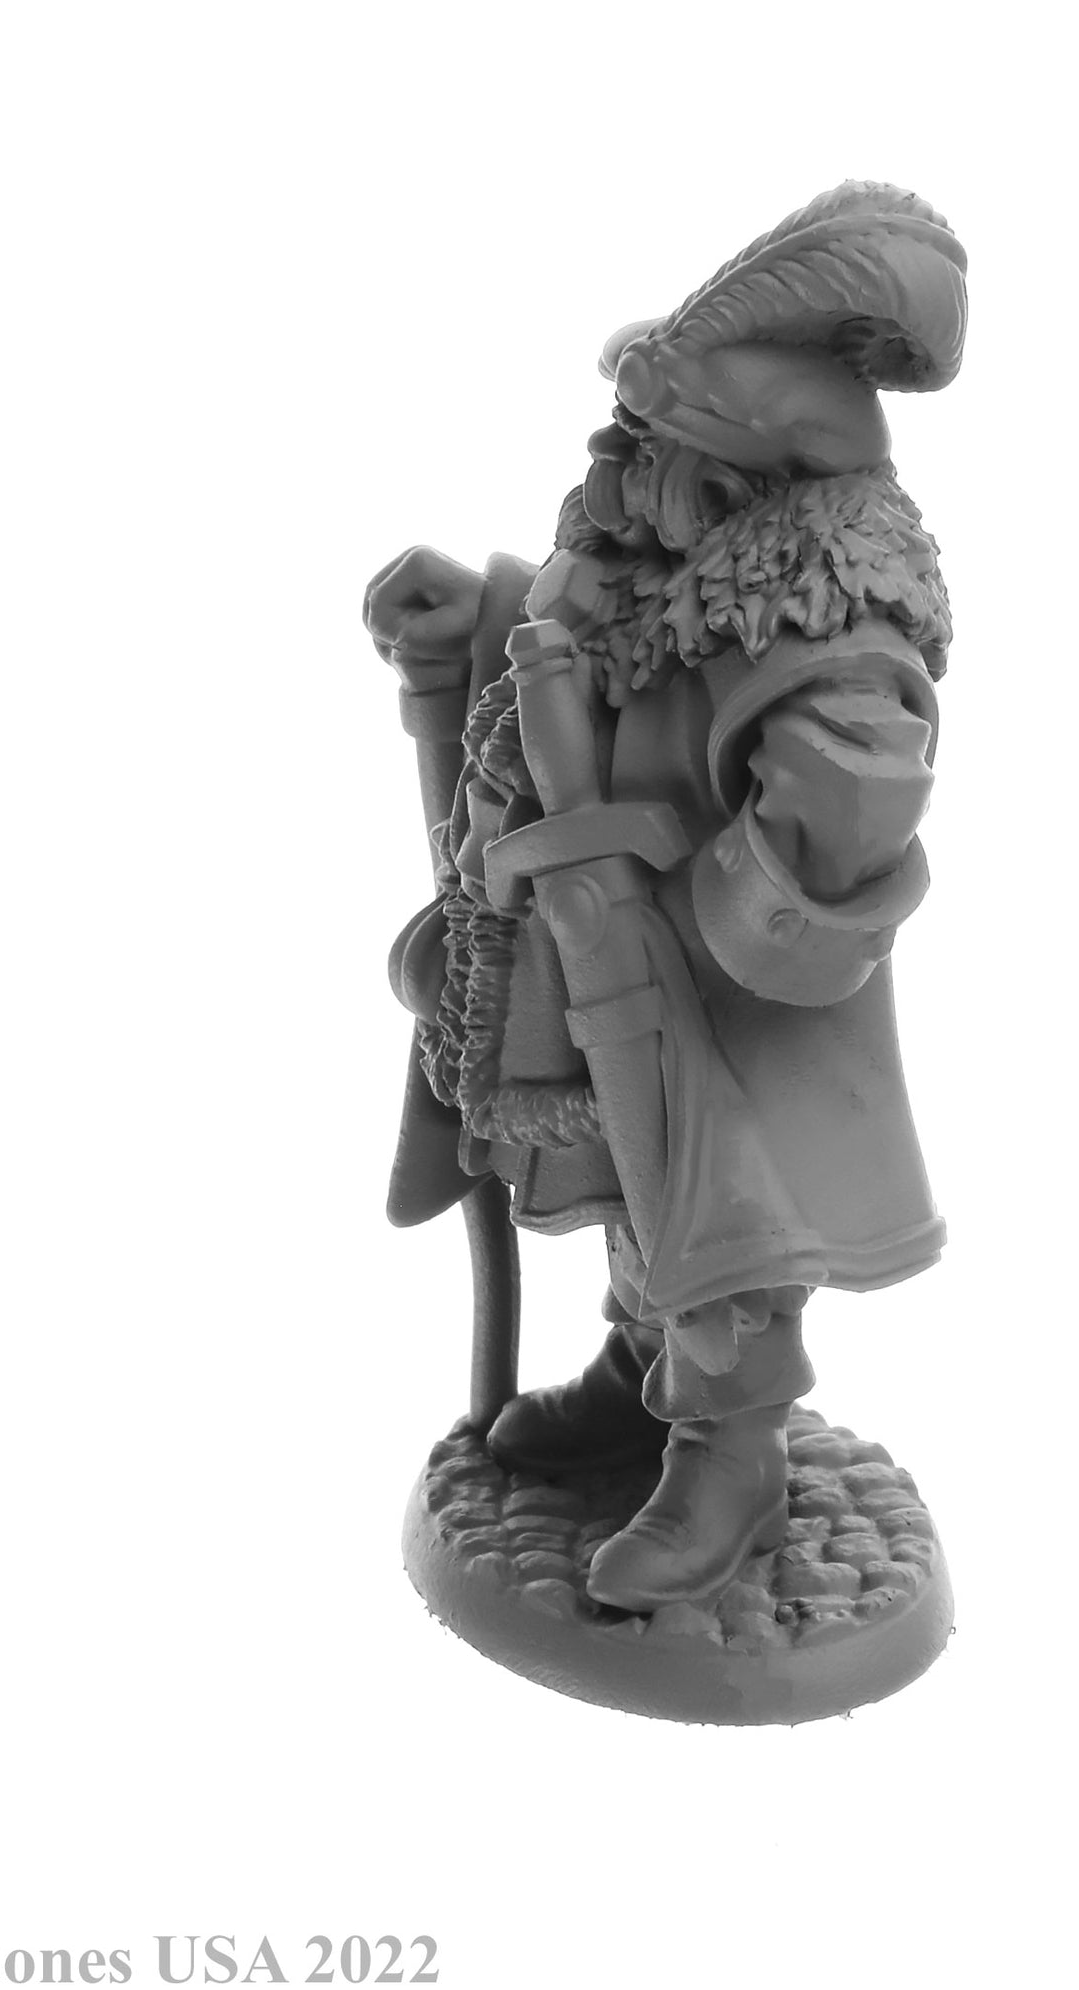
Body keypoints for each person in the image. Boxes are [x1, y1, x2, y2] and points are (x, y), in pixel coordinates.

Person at [364, 182, 967, 1611]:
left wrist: (715, 910)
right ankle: (641, 1378)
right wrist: (482, 616)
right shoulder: (661, 569)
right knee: (634, 1185)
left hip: (717, 991)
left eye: (651, 444)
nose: (616, 462)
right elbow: (595, 656)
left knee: (723, 1220)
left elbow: (850, 794)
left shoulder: (818, 620)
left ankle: (728, 1455)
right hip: (593, 950)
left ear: (744, 478)